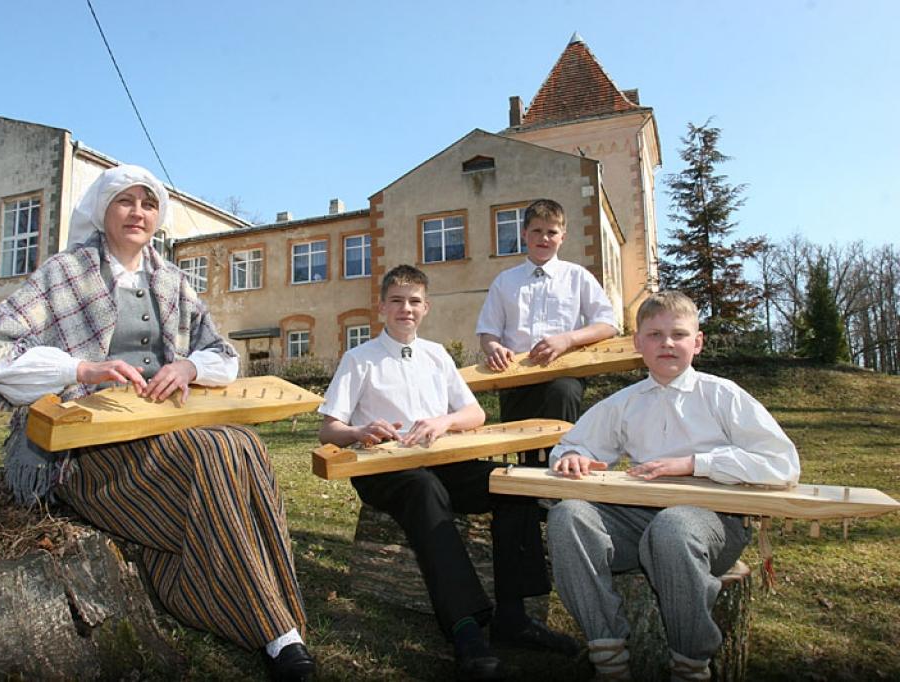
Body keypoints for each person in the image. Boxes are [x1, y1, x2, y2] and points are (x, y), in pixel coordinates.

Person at [0, 165, 314, 681]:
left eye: (147, 204)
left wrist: (188, 366)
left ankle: (275, 618)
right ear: (102, 212)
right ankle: (279, 633)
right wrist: (80, 368)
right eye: (125, 202)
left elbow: (221, 354)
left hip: (164, 431)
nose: (137, 212)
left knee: (243, 443)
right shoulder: (64, 274)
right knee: (214, 453)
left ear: (159, 217)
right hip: (88, 449)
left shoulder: (171, 281)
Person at [318, 265, 578, 681]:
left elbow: (473, 413)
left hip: (444, 459)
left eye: (415, 301)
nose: (407, 308)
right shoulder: (359, 359)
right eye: (398, 300)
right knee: (423, 489)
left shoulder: (438, 355)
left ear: (426, 307)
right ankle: (464, 626)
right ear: (382, 306)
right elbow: (328, 426)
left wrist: (443, 423)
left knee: (511, 485)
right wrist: (359, 430)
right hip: (384, 469)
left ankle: (514, 617)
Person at [546, 291, 801, 681]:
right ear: (637, 344)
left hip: (715, 525)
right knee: (568, 517)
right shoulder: (624, 404)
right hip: (639, 522)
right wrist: (572, 457)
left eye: (678, 334)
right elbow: (572, 446)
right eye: (654, 334)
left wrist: (695, 464)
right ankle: (608, 654)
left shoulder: (722, 396)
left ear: (696, 343)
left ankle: (691, 664)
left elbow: (782, 465)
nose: (667, 343)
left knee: (673, 528)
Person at [475, 199, 618, 465]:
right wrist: (494, 349)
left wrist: (568, 339)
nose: (544, 238)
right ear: (524, 234)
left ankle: (563, 471)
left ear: (562, 237)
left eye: (551, 232)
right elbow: (488, 332)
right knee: (524, 446)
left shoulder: (577, 276)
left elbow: (607, 324)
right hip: (516, 378)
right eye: (537, 231)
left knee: (561, 399)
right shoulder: (505, 282)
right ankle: (529, 492)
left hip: (564, 375)